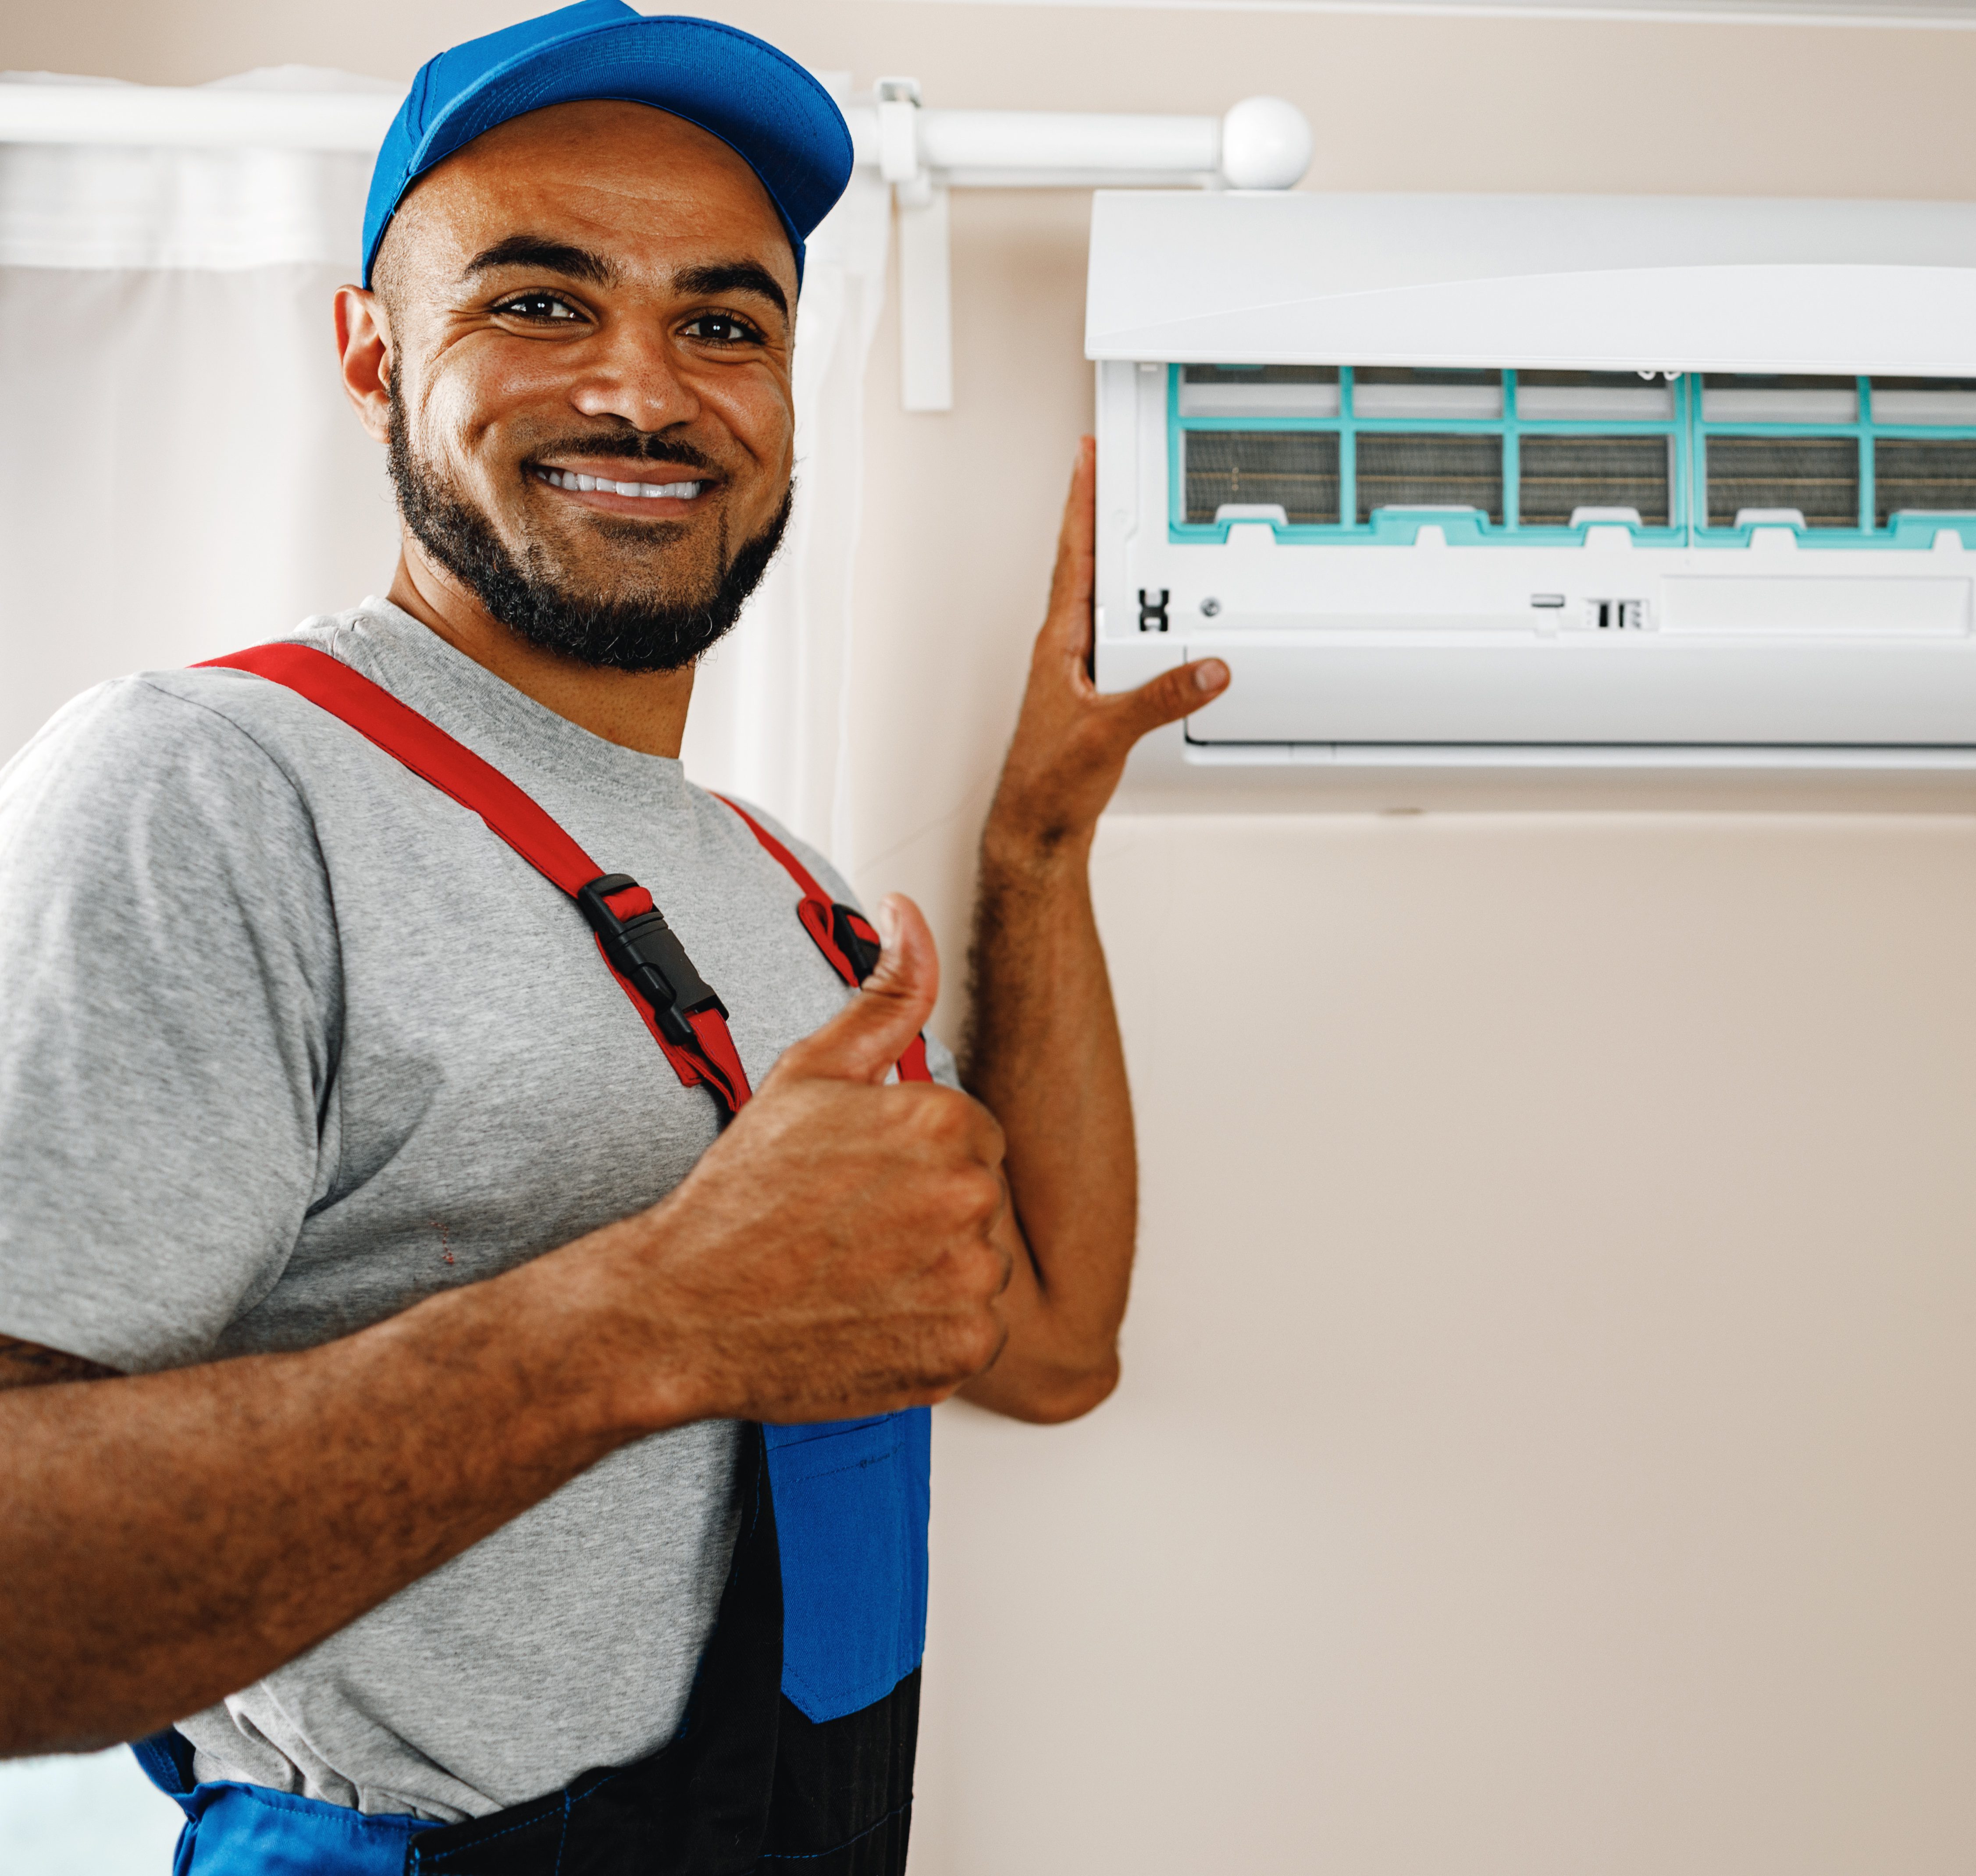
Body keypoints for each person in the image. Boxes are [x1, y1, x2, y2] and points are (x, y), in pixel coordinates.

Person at [0, 4, 1226, 1869]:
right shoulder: (214, 786)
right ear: (370, 353)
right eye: (540, 302)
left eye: (723, 323)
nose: (647, 392)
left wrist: (1038, 840)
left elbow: (1052, 1340)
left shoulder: (791, 893)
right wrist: (660, 1313)